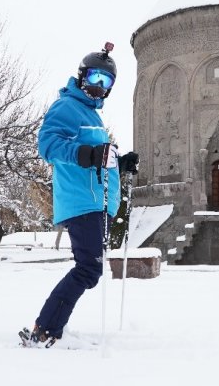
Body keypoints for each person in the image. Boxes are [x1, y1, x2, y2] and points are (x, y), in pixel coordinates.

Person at [20, 43, 139, 348]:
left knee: (90, 269)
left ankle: (48, 325)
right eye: (95, 78)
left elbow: (99, 157)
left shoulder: (91, 115)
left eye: (106, 82)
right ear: (82, 76)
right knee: (88, 268)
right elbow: (48, 145)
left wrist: (118, 160)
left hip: (98, 202)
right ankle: (44, 327)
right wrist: (88, 154)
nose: (99, 87)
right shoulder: (66, 107)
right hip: (82, 201)